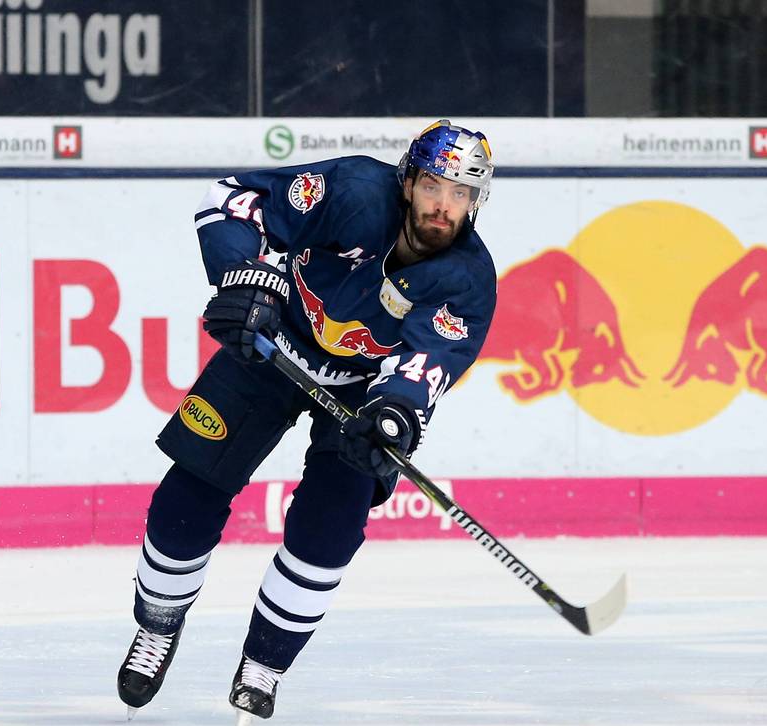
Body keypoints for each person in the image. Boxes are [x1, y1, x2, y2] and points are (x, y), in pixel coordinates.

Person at [116, 120, 498, 723]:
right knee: (188, 494)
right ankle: (158, 625)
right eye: (433, 186)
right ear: (408, 182)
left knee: (332, 528)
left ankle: (264, 664)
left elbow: (427, 362)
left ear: (476, 201)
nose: (444, 206)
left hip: (359, 394)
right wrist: (243, 275)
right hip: (273, 348)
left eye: (460, 194)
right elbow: (231, 201)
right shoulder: (352, 192)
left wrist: (395, 415)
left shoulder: (468, 281)